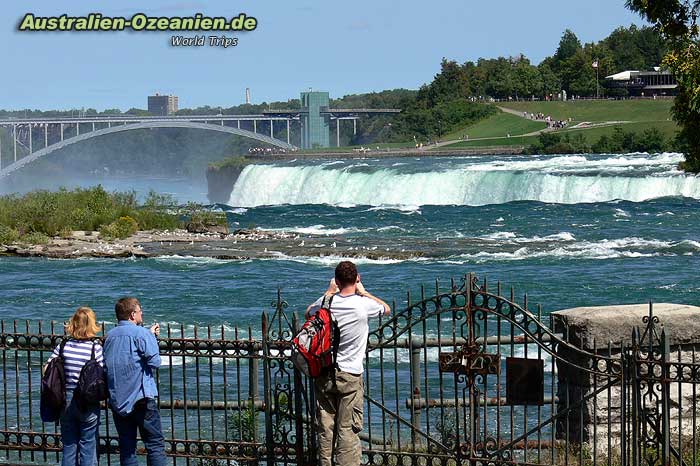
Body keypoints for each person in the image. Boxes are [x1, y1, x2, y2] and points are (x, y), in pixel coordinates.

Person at [306, 261, 390, 466]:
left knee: (325, 427)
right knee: (347, 428)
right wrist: (365, 292)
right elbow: (386, 309)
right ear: (357, 278)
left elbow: (309, 313)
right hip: (350, 374)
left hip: (325, 372)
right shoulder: (363, 304)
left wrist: (328, 291)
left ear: (336, 281)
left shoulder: (327, 302)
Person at [103, 297, 166, 466]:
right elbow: (155, 362)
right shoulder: (142, 334)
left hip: (118, 398)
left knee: (127, 446)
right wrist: (150, 337)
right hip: (141, 397)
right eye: (139, 310)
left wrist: (148, 334)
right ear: (132, 315)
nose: (141, 313)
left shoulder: (110, 336)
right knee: (155, 444)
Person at [46, 306, 103, 466]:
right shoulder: (95, 348)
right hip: (87, 400)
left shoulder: (63, 346)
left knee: (69, 446)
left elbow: (48, 367)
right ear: (92, 324)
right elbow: (102, 373)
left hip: (65, 399)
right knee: (88, 446)